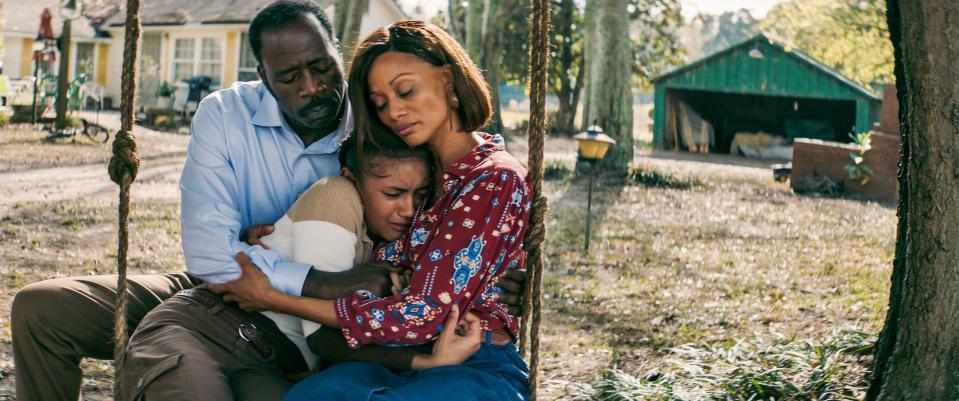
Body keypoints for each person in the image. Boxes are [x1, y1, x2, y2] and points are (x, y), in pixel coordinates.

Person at [10, 2, 526, 400]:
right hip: (231, 285)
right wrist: (309, 277)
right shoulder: (228, 115)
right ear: (264, 77)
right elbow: (212, 255)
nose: (312, 87)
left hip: (299, 316)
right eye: (289, 76)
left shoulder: (386, 139)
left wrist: (496, 279)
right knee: (43, 309)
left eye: (324, 68)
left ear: (337, 58)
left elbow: (444, 256)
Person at [213, 19, 532, 401]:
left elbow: (423, 313)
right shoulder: (412, 175)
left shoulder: (493, 178)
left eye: (406, 91)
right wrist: (283, 238)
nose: (394, 112)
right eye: (381, 103)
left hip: (471, 359)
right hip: (387, 359)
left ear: (448, 81)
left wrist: (273, 297)